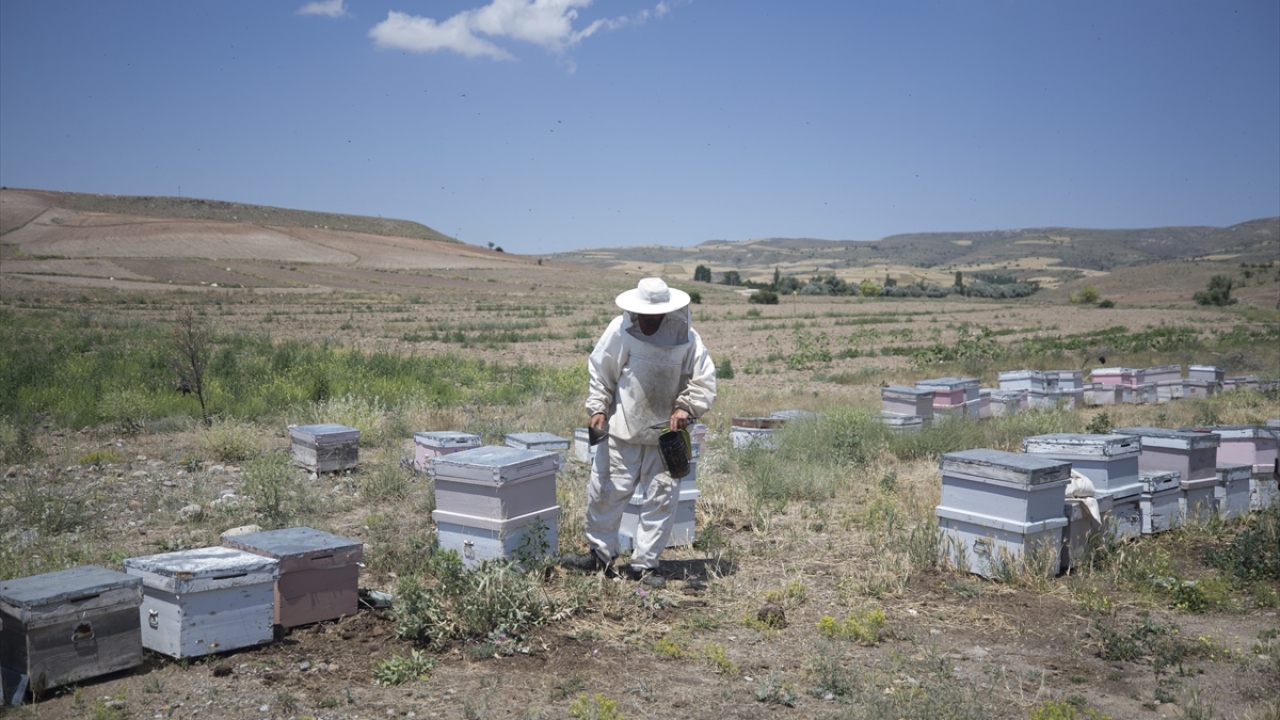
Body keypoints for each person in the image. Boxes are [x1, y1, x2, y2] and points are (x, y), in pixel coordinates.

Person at [560, 277, 717, 588]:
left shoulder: (687, 338)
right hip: (622, 431)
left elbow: (703, 380)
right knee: (606, 491)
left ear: (667, 313)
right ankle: (600, 556)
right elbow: (602, 371)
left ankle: (645, 565)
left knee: (661, 499)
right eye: (643, 315)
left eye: (654, 316)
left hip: (664, 438)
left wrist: (685, 407)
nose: (648, 321)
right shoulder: (619, 331)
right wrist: (599, 408)